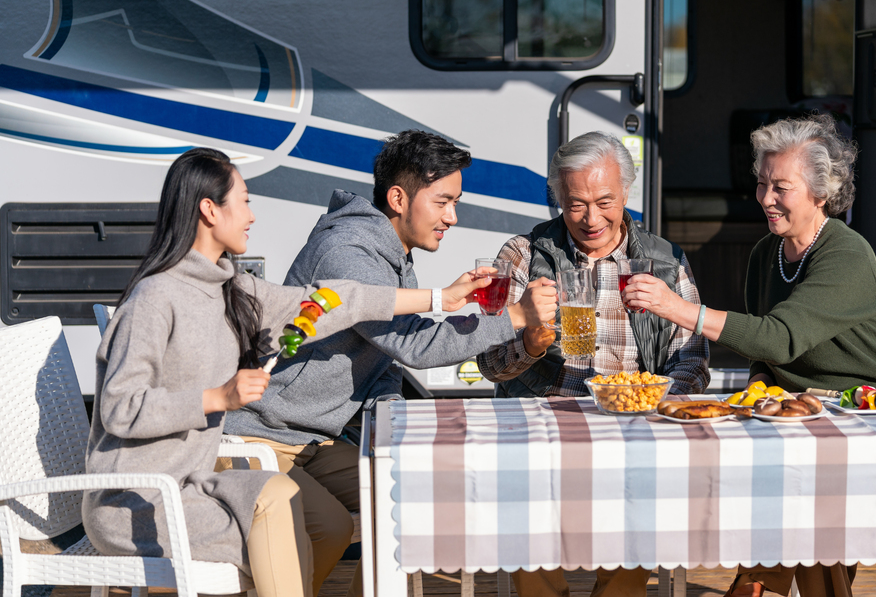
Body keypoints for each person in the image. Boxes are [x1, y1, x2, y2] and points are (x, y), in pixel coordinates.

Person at [84, 148, 491, 597]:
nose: (253, 216)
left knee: (323, 524)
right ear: (209, 209)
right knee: (285, 517)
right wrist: (217, 397)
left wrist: (442, 299)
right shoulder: (154, 299)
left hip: (197, 485)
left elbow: (336, 300)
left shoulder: (233, 289)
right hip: (137, 503)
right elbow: (120, 408)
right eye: (244, 201)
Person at [223, 130, 556, 594]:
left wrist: (391, 419)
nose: (452, 217)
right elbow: (413, 345)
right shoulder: (349, 252)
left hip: (310, 438)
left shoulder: (392, 253)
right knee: (333, 526)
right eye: (443, 202)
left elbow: (385, 360)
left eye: (455, 203)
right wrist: (515, 317)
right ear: (399, 198)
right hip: (258, 435)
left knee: (412, 497)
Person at [622, 114, 876, 597]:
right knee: (788, 500)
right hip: (803, 416)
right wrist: (759, 394)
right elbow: (764, 358)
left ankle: (755, 588)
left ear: (821, 192)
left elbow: (778, 337)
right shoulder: (767, 252)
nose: (765, 199)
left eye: (781, 187)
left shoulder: (846, 253)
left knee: (804, 506)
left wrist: (678, 309)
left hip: (871, 414)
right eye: (762, 184)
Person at [477, 130, 710, 597]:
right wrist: (531, 344)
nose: (590, 218)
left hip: (634, 424)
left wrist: (657, 399)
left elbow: (694, 360)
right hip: (543, 420)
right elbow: (488, 363)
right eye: (576, 203)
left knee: (649, 498)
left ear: (627, 192)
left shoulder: (664, 261)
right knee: (525, 498)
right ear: (558, 197)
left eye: (605, 201)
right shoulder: (523, 254)